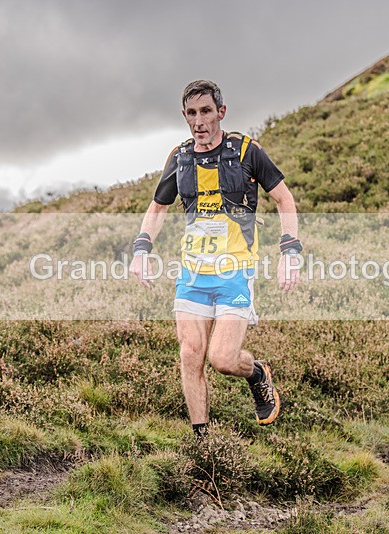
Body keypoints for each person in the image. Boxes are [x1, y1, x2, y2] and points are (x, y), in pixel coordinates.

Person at [129, 80, 302, 435]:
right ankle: (203, 444)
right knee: (191, 354)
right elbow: (158, 207)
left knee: (222, 359)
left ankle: (256, 373)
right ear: (184, 117)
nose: (199, 121)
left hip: (235, 271)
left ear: (221, 112)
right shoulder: (180, 158)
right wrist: (142, 248)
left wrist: (289, 251)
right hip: (193, 273)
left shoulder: (245, 151)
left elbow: (284, 200)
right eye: (191, 113)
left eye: (206, 111)